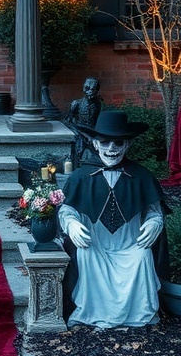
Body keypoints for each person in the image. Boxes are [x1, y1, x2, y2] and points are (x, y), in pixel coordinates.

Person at [58, 110, 169, 329]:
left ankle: (139, 315)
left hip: (130, 245)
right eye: (104, 142)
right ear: (95, 144)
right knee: (85, 253)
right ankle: (88, 312)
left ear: (127, 145)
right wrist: (71, 224)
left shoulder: (142, 176)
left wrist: (154, 222)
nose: (111, 149)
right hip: (96, 244)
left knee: (142, 256)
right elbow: (66, 209)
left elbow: (154, 210)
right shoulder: (80, 177)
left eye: (118, 143)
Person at [66, 77, 102, 165]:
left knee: (98, 150)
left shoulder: (98, 104)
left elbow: (98, 120)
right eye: (87, 89)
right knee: (79, 147)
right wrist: (81, 133)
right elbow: (69, 120)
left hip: (93, 132)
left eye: (93, 89)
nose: (89, 92)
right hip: (79, 131)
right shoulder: (76, 103)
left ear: (97, 91)